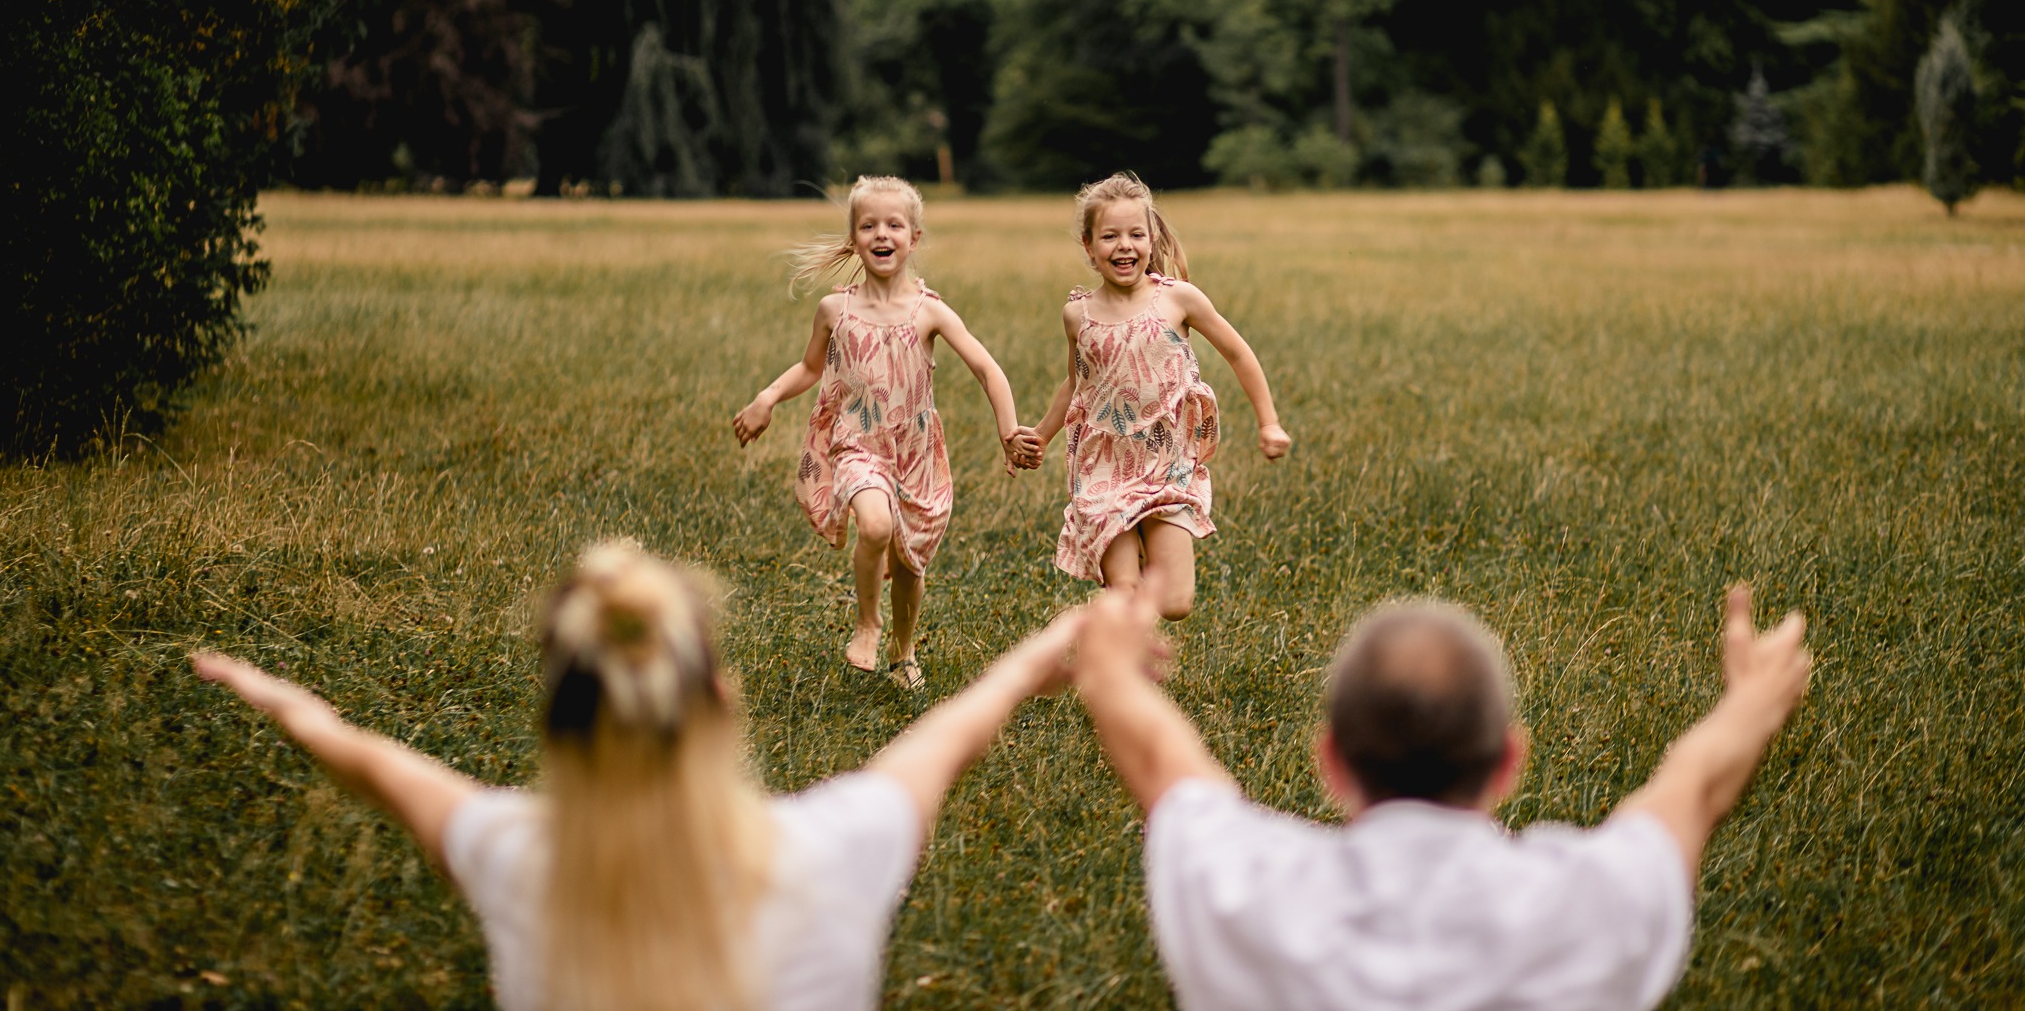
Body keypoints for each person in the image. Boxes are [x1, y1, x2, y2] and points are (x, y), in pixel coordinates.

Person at [192, 540, 1080, 1011]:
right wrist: (1038, 655)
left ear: (558, 730)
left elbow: (378, 766)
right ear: (723, 705)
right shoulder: (831, 852)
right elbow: (945, 739)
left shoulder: (518, 859)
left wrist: (297, 710)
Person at [1071, 571, 1814, 1011]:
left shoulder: (1250, 894)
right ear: (1508, 762)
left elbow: (1159, 758)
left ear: (1330, 761)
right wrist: (1752, 702)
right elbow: (1690, 793)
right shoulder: (1587, 907)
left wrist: (1107, 659)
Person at [731, 175, 1041, 688]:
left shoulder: (929, 311)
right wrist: (766, 398)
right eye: (868, 225)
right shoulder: (836, 310)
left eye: (894, 225)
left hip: (916, 454)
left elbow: (988, 369)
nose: (882, 234)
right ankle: (867, 624)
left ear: (913, 237)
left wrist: (1008, 431)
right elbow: (810, 369)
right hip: (858, 444)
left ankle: (904, 652)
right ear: (854, 238)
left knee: (910, 562)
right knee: (874, 526)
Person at [1026, 173, 1290, 619]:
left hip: (1167, 464)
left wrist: (1269, 422)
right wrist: (1040, 435)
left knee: (1174, 604)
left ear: (1151, 240)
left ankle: (1146, 544)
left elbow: (1238, 353)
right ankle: (1117, 656)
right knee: (1125, 595)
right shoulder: (1078, 315)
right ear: (1089, 248)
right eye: (1110, 236)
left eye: (1135, 234)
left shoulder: (1177, 300)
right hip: (1104, 467)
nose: (1124, 246)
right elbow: (1075, 383)